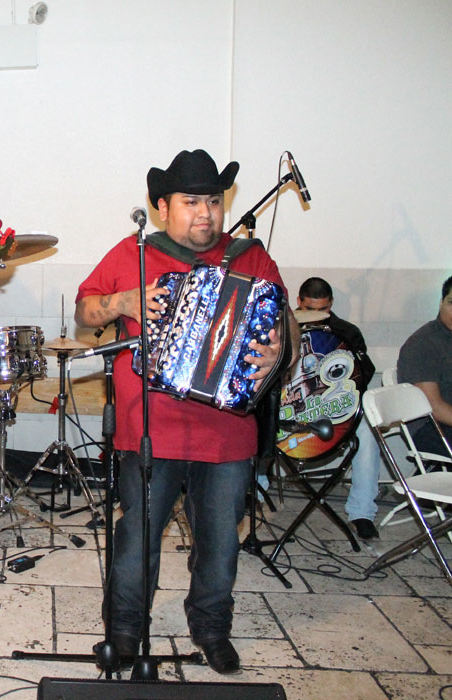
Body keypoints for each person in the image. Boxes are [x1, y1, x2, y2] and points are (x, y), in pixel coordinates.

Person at [74, 149, 293, 675]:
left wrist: (279, 351)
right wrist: (123, 302)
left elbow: (285, 320)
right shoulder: (135, 253)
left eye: (213, 201)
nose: (205, 213)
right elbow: (84, 312)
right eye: (191, 202)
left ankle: (212, 628)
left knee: (220, 541)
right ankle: (125, 631)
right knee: (137, 537)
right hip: (152, 428)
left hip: (226, 431)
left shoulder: (250, 258)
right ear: (163, 207)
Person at [291, 278, 381, 540]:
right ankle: (256, 493)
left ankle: (362, 512)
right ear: (298, 302)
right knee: (255, 419)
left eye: (323, 309)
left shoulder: (346, 331)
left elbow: (365, 372)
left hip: (335, 405)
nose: (317, 315)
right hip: (290, 407)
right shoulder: (282, 327)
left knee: (368, 430)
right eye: (310, 309)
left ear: (331, 304)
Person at [396, 275, 452, 456]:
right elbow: (435, 408)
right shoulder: (423, 343)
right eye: (451, 303)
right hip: (432, 427)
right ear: (441, 302)